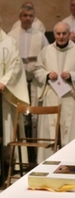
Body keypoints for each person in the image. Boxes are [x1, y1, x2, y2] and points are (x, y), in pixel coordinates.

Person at [0, 11, 29, 163]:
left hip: (6, 93)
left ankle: (11, 162)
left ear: (0, 24)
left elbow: (16, 65)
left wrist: (3, 81)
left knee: (7, 126)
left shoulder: (10, 42)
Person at [34, 22, 75, 163]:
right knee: (50, 131)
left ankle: (70, 164)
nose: (61, 36)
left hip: (70, 97)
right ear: (54, 34)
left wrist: (72, 76)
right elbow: (37, 69)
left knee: (69, 130)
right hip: (51, 95)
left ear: (69, 34)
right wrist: (46, 74)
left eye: (64, 33)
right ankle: (48, 165)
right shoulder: (46, 51)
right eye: (58, 33)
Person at [8, 5, 49, 106]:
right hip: (18, 74)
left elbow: (47, 54)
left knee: (34, 102)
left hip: (34, 75)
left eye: (31, 16)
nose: (28, 18)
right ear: (20, 17)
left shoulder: (40, 36)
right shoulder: (11, 35)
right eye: (25, 15)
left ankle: (34, 120)